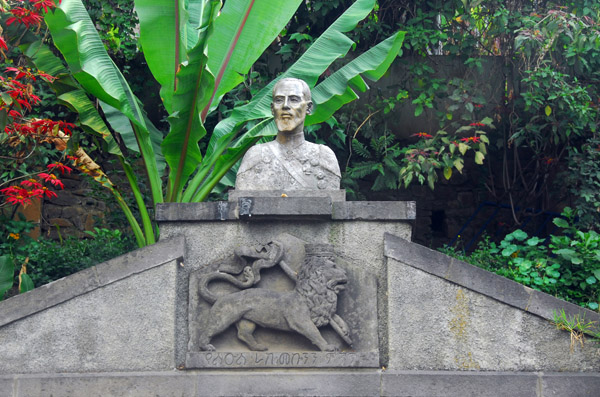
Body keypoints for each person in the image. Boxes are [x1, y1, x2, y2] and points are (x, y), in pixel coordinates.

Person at [235, 78, 341, 190]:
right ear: (272, 108)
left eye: (294, 100)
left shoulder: (323, 156)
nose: (285, 105)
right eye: (279, 100)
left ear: (308, 108)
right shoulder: (255, 156)